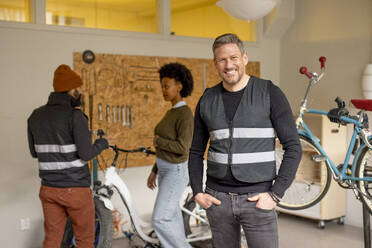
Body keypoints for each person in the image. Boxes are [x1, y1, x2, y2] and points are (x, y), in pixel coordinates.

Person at [188, 33, 302, 248]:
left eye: (234, 58)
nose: (228, 65)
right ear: (215, 63)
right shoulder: (207, 99)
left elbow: (293, 147)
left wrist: (275, 194)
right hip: (217, 200)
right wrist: (197, 192)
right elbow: (195, 151)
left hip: (258, 201)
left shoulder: (270, 93)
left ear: (245, 58)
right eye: (222, 59)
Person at [27, 64, 109, 248]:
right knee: (84, 240)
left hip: (48, 189)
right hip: (75, 190)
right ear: (71, 90)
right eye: (78, 88)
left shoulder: (35, 116)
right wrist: (102, 143)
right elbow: (86, 154)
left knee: (52, 240)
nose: (80, 91)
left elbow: (35, 152)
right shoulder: (75, 116)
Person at [146, 62, 194, 248]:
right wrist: (155, 170)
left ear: (179, 86)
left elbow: (183, 148)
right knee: (172, 219)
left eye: (166, 86)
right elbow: (165, 148)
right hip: (165, 169)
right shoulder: (171, 112)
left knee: (160, 219)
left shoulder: (184, 114)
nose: (163, 90)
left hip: (177, 171)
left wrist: (158, 142)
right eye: (162, 87)